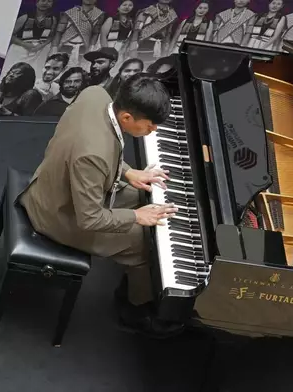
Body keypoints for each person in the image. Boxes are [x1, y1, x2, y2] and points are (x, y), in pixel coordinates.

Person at [19, 74, 182, 338]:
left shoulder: (96, 94)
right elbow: (90, 220)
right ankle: (134, 310)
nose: (153, 131)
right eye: (150, 126)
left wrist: (128, 173)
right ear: (127, 118)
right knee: (146, 244)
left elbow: (103, 151)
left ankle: (135, 285)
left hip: (59, 182)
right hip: (58, 215)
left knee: (146, 196)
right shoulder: (92, 155)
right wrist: (136, 217)